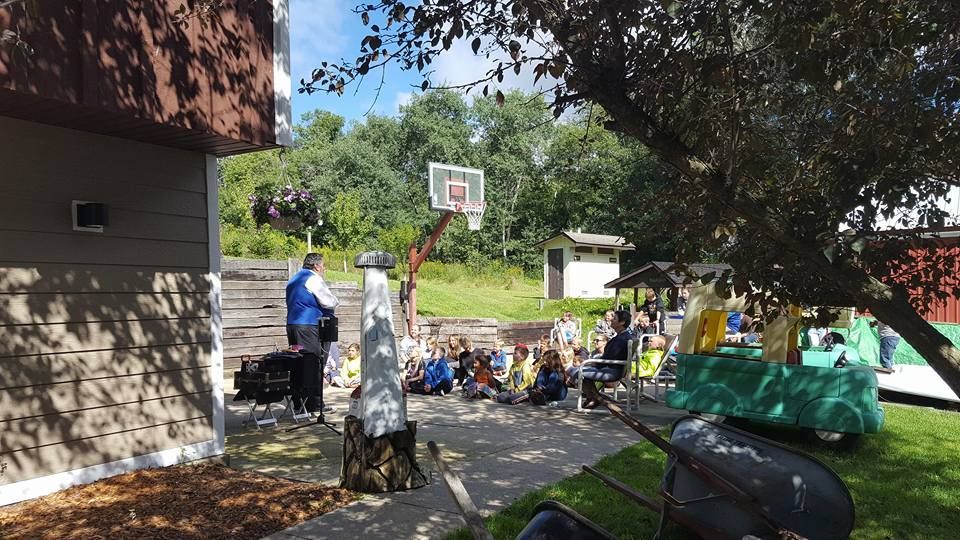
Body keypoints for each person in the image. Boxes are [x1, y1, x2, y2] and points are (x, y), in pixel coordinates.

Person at [285, 253, 340, 412]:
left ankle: (299, 402)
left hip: (293, 325)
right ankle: (314, 403)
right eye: (322, 265)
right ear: (316, 266)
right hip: (309, 326)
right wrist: (336, 301)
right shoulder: (313, 279)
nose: (323, 268)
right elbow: (327, 301)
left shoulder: (294, 279)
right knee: (313, 363)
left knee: (298, 363)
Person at [577, 310, 632, 408]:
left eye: (614, 318)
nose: (611, 320)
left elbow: (609, 357)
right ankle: (594, 397)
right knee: (581, 370)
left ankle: (595, 398)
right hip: (616, 368)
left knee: (578, 372)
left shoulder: (621, 339)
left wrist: (594, 364)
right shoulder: (624, 336)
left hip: (612, 371)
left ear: (622, 322)